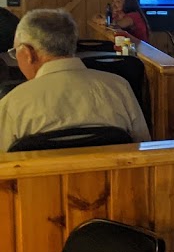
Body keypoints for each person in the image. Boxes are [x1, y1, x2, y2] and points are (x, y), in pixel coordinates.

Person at [0, 9, 150, 151]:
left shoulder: (11, 104)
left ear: (28, 53)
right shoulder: (120, 87)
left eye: (15, 52)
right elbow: (144, 148)